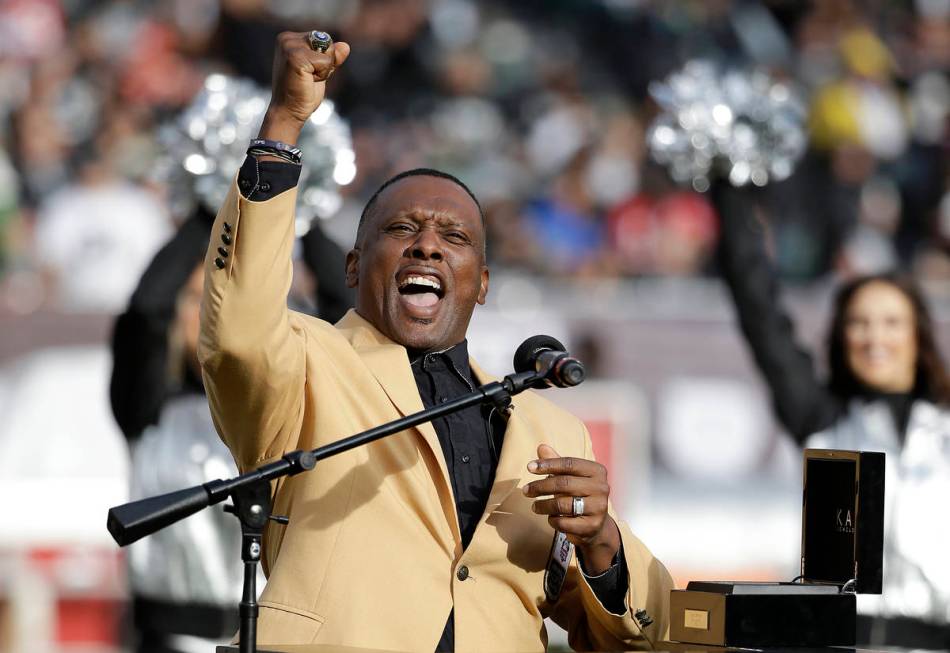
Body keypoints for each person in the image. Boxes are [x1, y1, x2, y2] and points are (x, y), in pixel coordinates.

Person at [198, 31, 673, 651]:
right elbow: (237, 329)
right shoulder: (307, 365)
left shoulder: (549, 430)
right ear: (352, 269)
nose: (427, 245)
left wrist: (602, 545)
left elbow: (653, 635)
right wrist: (284, 125)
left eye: (455, 238)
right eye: (402, 229)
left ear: (480, 285)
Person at [716, 185, 950, 650]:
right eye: (858, 323)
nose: (873, 337)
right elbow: (760, 313)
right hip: (839, 640)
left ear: (918, 333)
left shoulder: (945, 425)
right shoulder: (821, 416)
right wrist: (727, 189)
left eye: (890, 322)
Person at [111, 202, 352, 651]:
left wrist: (304, 211)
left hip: (275, 633)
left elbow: (345, 317)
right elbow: (145, 309)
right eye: (194, 301)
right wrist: (215, 206)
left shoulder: (289, 405)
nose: (207, 319)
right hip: (170, 634)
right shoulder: (147, 405)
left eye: (220, 305)